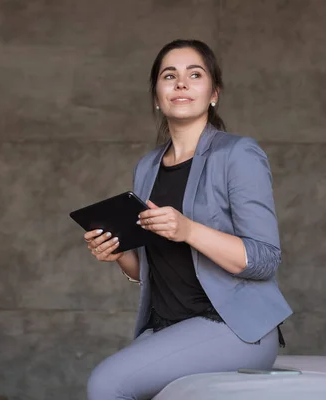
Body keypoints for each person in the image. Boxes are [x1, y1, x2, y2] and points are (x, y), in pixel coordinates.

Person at [84, 39, 293, 400]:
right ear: (157, 96)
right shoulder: (147, 167)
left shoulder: (238, 154)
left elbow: (264, 260)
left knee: (107, 383)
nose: (181, 83)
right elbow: (149, 269)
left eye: (194, 74)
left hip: (234, 327)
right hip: (169, 325)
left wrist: (189, 230)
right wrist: (117, 252)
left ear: (214, 93)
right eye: (170, 76)